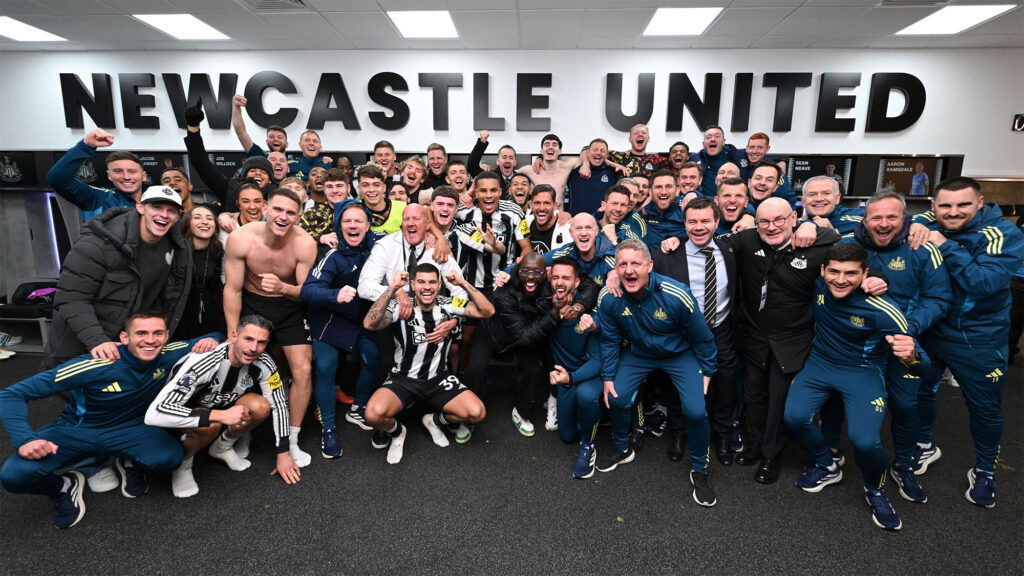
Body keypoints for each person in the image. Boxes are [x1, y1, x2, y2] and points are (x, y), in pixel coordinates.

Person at [0, 313, 217, 528]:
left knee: (169, 459)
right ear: (124, 338)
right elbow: (11, 394)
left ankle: (128, 461)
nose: (150, 340)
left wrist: (212, 339)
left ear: (166, 336)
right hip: (79, 430)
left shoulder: (169, 353)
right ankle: (63, 486)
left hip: (130, 428)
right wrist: (24, 439)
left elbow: (215, 335)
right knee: (14, 476)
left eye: (157, 333)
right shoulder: (95, 363)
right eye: (141, 333)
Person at [819, 191, 952, 504]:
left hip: (898, 341)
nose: (883, 223)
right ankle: (830, 457)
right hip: (851, 341)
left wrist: (905, 327)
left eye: (891, 217)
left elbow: (939, 299)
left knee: (905, 404)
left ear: (905, 218)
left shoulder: (922, 246)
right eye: (875, 217)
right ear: (864, 220)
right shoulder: (848, 242)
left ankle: (904, 464)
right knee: (834, 398)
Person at [783, 244, 921, 531]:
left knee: (865, 441)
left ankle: (875, 490)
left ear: (865, 273)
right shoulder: (819, 284)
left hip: (862, 372)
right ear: (823, 270)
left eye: (850, 273)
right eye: (834, 271)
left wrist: (913, 356)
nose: (841, 279)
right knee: (794, 418)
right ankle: (827, 464)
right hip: (819, 365)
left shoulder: (882, 309)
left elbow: (921, 363)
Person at [912, 177, 1024, 508]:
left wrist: (945, 245)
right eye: (945, 205)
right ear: (933, 206)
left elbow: (983, 281)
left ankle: (985, 470)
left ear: (980, 203)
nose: (954, 212)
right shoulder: (927, 221)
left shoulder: (1003, 234)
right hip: (932, 330)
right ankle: (923, 445)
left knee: (985, 408)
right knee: (921, 392)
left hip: (978, 338)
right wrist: (920, 223)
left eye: (963, 204)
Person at [596, 239, 718, 507]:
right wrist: (607, 377)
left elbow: (703, 337)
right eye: (623, 264)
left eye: (636, 264)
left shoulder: (676, 294)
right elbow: (609, 340)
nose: (629, 270)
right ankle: (621, 448)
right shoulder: (610, 297)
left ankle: (700, 469)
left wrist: (708, 370)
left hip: (680, 355)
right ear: (615, 269)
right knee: (615, 397)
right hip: (640, 354)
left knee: (696, 411)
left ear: (649, 266)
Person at [728, 198, 840, 484]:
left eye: (779, 219)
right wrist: (673, 243)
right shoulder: (746, 240)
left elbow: (846, 245)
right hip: (754, 338)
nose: (771, 226)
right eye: (764, 221)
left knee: (779, 401)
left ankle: (771, 455)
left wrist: (814, 226)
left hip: (790, 341)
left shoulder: (817, 245)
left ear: (793, 218)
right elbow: (708, 239)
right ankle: (754, 446)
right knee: (754, 397)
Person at [145, 315, 299, 497]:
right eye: (248, 339)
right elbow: (154, 413)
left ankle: (223, 446)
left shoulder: (264, 362)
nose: (253, 348)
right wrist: (217, 416)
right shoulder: (206, 361)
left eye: (261, 342)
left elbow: (279, 404)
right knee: (210, 424)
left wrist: (283, 453)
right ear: (234, 336)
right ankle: (184, 464)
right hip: (185, 416)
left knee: (260, 406)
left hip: (224, 410)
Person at [44, 185, 193, 369]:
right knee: (82, 396)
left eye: (171, 211)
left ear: (177, 216)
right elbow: (72, 299)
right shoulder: (96, 244)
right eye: (156, 207)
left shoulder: (177, 246)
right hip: (86, 346)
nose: (164, 214)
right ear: (140, 207)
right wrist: (97, 341)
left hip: (132, 346)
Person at [223, 188, 318, 468]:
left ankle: (292, 438)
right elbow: (232, 288)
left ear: (298, 216)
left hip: (289, 306)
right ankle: (244, 430)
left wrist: (283, 287)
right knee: (242, 366)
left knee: (303, 370)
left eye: (290, 212)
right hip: (252, 304)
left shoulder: (305, 244)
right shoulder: (241, 238)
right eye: (278, 209)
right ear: (265, 208)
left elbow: (305, 292)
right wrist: (233, 333)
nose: (283, 216)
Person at [362, 264, 494, 463]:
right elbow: (369, 323)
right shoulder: (402, 307)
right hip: (403, 380)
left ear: (440, 285)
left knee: (477, 413)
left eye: (432, 282)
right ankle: (398, 433)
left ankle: (433, 421)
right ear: (413, 285)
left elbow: (488, 311)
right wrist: (393, 288)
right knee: (372, 414)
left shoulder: (448, 303)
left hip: (438, 380)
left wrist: (463, 283)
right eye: (421, 282)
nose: (427, 287)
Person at [652, 197, 739, 466]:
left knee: (724, 383)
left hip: (720, 330)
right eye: (692, 222)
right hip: (683, 333)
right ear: (684, 223)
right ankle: (678, 434)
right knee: (680, 385)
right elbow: (633, 268)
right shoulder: (667, 256)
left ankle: (722, 434)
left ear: (716, 222)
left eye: (705, 221)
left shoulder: (732, 249)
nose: (698, 227)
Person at [300, 201, 379, 456]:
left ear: (368, 226)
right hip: (330, 319)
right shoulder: (332, 256)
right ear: (338, 226)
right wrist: (335, 294)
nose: (353, 225)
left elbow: (411, 230)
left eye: (359, 221)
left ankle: (358, 408)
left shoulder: (377, 248)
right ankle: (329, 429)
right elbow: (308, 290)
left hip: (360, 319)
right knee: (325, 368)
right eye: (347, 221)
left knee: (373, 359)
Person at [465, 252, 563, 436]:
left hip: (524, 335)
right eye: (525, 271)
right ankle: (470, 414)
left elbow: (583, 284)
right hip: (493, 334)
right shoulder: (504, 292)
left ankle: (522, 412)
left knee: (532, 369)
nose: (531, 277)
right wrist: (552, 314)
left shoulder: (550, 287)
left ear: (545, 273)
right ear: (518, 271)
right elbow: (523, 335)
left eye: (536, 272)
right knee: (475, 369)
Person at [547, 258, 603, 478]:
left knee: (586, 396)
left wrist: (570, 378)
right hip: (565, 377)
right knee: (567, 435)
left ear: (577, 282)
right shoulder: (546, 306)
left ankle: (588, 446)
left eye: (566, 278)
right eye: (556, 277)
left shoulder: (588, 312)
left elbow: (598, 361)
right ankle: (594, 416)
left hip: (589, 374)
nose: (560, 283)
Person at [183, 102, 274, 211]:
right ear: (244, 176)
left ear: (270, 180)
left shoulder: (279, 196)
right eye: (253, 170)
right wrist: (193, 128)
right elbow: (201, 163)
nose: (258, 173)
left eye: (264, 172)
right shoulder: (229, 189)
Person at [47, 129, 145, 219]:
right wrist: (85, 146)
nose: (126, 177)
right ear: (109, 176)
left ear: (144, 176)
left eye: (132, 171)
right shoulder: (98, 197)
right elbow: (58, 179)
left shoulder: (155, 201)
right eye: (118, 171)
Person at [176, 204, 225, 340]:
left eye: (210, 218)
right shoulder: (177, 252)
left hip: (208, 319)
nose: (205, 221)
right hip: (179, 319)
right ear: (187, 224)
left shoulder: (218, 252)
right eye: (197, 217)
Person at [568, 138, 618, 216]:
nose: (598, 152)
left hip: (601, 222)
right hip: (577, 221)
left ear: (607, 155)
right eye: (595, 150)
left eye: (602, 151)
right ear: (587, 152)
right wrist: (540, 158)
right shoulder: (573, 170)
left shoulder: (613, 173)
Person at [690, 126, 738, 197]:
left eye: (717, 136)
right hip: (703, 204)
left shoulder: (736, 157)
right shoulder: (695, 159)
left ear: (723, 142)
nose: (712, 139)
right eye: (708, 137)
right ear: (703, 144)